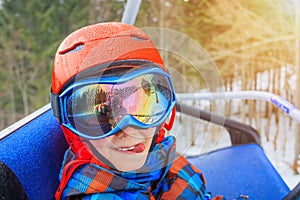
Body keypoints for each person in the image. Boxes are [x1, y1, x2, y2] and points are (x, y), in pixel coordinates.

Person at [50, 22, 221, 200]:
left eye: (143, 104)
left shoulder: (161, 158)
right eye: (102, 115)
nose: (130, 129)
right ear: (73, 131)